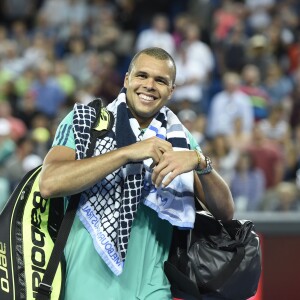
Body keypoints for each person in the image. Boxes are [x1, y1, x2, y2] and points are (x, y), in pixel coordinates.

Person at [39, 47, 234, 300]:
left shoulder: (180, 138)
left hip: (154, 287)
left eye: (161, 80)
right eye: (142, 76)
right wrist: (127, 152)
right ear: (127, 79)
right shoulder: (86, 120)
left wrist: (201, 162)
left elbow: (226, 212)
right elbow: (50, 182)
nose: (150, 85)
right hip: (89, 284)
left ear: (171, 90)